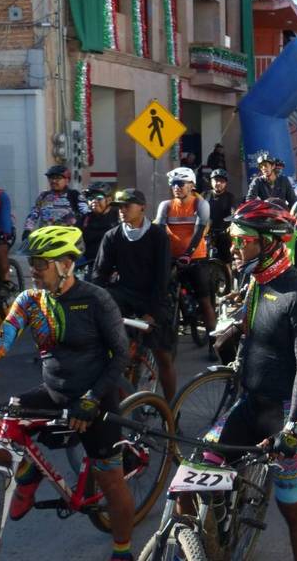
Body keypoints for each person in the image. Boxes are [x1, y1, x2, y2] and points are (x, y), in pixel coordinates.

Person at [0, 226, 135, 561]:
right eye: (32, 263)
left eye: (41, 263)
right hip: (53, 392)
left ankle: (123, 549)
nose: (33, 270)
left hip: (95, 398)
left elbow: (121, 355)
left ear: (66, 263)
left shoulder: (96, 299)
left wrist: (92, 398)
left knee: (110, 480)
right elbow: (0, 341)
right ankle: (29, 471)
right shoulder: (31, 300)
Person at [205, 200, 297, 561]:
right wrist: (236, 325)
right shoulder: (257, 280)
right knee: (198, 472)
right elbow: (256, 327)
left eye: (243, 241)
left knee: (294, 508)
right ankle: (212, 536)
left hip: (290, 410)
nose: (235, 248)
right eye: (234, 239)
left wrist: (293, 427)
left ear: (270, 243)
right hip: (253, 402)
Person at [95, 189, 177, 401]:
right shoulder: (112, 236)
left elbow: (162, 279)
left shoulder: (158, 236)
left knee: (163, 359)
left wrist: (151, 314)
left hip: (154, 299)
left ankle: (171, 413)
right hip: (124, 299)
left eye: (126, 206)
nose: (122, 211)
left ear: (142, 207)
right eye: (119, 207)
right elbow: (99, 276)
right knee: (115, 354)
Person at [156, 167, 217, 342]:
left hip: (196, 258)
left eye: (181, 184)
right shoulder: (166, 205)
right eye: (173, 184)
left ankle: (213, 343)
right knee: (162, 294)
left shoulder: (200, 204)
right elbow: (159, 228)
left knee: (204, 300)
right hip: (173, 258)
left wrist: (188, 254)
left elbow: (198, 232)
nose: (177, 187)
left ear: (191, 185)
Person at [22, 165, 88, 238]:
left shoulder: (74, 195)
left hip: (68, 240)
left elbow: (86, 213)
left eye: (58, 178)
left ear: (67, 180)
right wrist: (27, 230)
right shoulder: (43, 195)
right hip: (45, 239)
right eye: (51, 178)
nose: (53, 181)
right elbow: (33, 214)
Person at [80, 183, 119, 265]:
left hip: (113, 266)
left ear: (109, 200)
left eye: (99, 198)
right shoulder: (84, 219)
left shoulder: (119, 217)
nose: (94, 201)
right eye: (91, 198)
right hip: (89, 265)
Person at [204, 168, 236, 260]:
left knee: (226, 260)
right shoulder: (204, 195)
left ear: (225, 183)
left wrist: (231, 225)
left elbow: (233, 213)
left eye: (221, 181)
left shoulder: (230, 197)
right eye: (215, 180)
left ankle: (229, 274)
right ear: (211, 181)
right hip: (206, 233)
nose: (218, 183)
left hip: (223, 234)